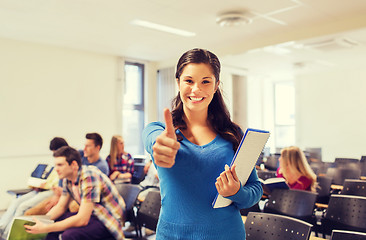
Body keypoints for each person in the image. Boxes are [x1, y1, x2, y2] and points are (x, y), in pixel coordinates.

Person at [142, 48, 263, 239]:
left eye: (205, 81)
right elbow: (153, 140)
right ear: (178, 83)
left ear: (216, 86)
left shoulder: (233, 133)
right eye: (189, 81)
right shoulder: (159, 131)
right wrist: (160, 145)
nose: (196, 89)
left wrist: (237, 192)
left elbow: (255, 189)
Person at [25, 146, 126, 240]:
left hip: (107, 219)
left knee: (68, 235)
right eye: (55, 165)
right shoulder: (67, 179)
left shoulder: (89, 177)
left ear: (73, 165)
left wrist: (47, 227)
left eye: (60, 165)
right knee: (53, 225)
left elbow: (83, 219)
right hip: (92, 214)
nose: (56, 169)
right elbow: (61, 207)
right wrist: (41, 222)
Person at [0, 137, 68, 240]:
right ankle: (2, 227)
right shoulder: (57, 164)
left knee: (22, 206)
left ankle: (9, 234)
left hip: (50, 190)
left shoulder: (67, 163)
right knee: (16, 202)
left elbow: (60, 186)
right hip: (42, 188)